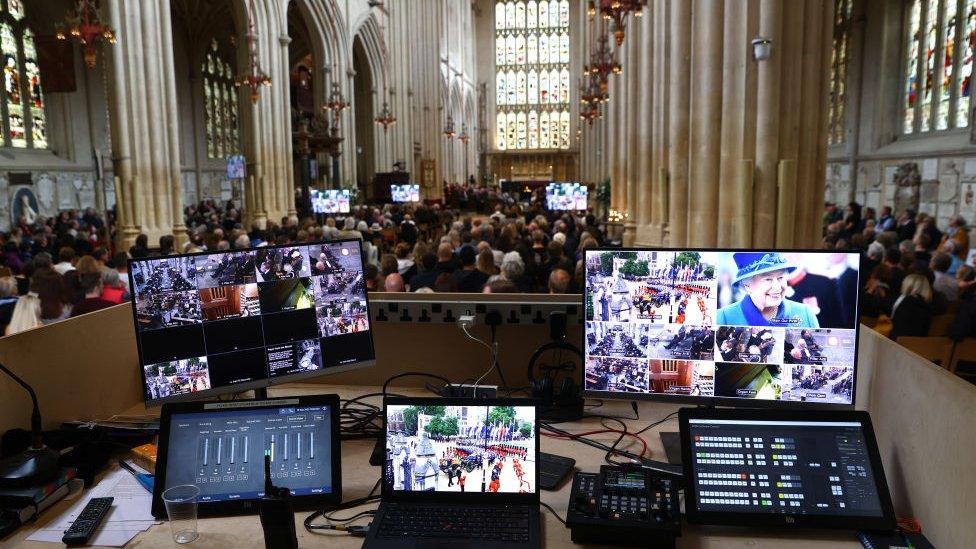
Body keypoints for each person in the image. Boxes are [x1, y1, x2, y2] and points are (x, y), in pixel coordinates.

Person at [716, 252, 820, 328]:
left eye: (781, 278)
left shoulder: (805, 313)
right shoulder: (723, 317)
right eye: (768, 279)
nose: (777, 287)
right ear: (747, 286)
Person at [890, 274, 934, 340]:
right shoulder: (928, 306)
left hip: (896, 343)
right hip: (917, 344)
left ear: (907, 286)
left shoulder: (904, 302)